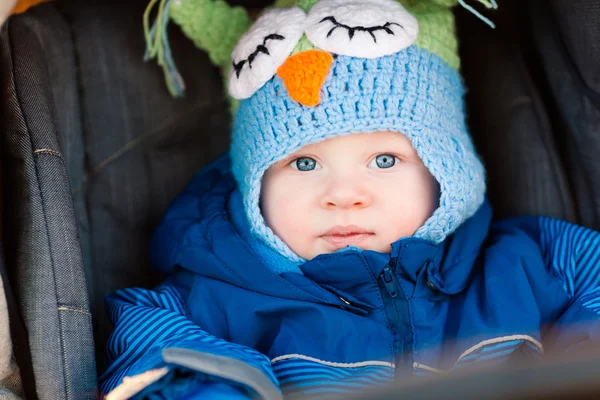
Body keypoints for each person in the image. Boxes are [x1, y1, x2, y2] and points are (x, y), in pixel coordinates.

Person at [99, 0, 600, 398]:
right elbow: (152, 340)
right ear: (253, 186)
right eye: (303, 163)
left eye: (384, 161)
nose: (342, 196)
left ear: (446, 172)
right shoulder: (220, 298)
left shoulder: (524, 265)